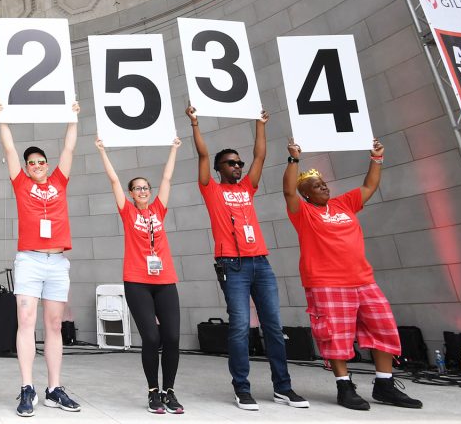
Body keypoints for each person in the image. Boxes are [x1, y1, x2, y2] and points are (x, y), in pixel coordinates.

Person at [283, 137, 422, 411]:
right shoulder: (304, 212)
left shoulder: (343, 203)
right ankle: (344, 387)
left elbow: (370, 186)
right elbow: (288, 193)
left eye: (323, 182)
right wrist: (294, 159)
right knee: (335, 336)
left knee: (384, 328)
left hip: (363, 280)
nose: (323, 186)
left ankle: (384, 385)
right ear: (306, 194)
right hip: (327, 284)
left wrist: (377, 158)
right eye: (315, 185)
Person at [186, 105, 308, 411]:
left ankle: (283, 387)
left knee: (273, 326)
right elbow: (202, 155)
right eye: (230, 163)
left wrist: (260, 124)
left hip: (260, 263)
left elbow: (260, 157)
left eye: (238, 163)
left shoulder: (247, 188)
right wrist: (196, 125)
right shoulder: (211, 189)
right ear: (219, 168)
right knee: (240, 327)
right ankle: (242, 388)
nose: (237, 166)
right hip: (233, 265)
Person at [0, 101, 81, 417]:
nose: (36, 166)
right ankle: (27, 388)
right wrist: (2, 118)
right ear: (26, 166)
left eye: (40, 161)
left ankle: (54, 389)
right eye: (31, 162)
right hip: (30, 261)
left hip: (57, 262)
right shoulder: (21, 184)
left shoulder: (59, 181)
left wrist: (73, 118)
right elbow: (9, 145)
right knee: (27, 322)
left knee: (54, 324)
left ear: (47, 164)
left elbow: (70, 149)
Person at [96, 136, 184, 414]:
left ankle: (169, 390)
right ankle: (152, 391)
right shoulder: (127, 212)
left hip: (165, 280)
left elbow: (167, 179)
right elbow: (113, 181)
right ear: (131, 193)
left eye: (146, 187)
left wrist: (173, 149)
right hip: (137, 282)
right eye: (137, 188)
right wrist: (102, 152)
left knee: (171, 337)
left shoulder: (158, 209)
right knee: (152, 338)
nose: (143, 191)